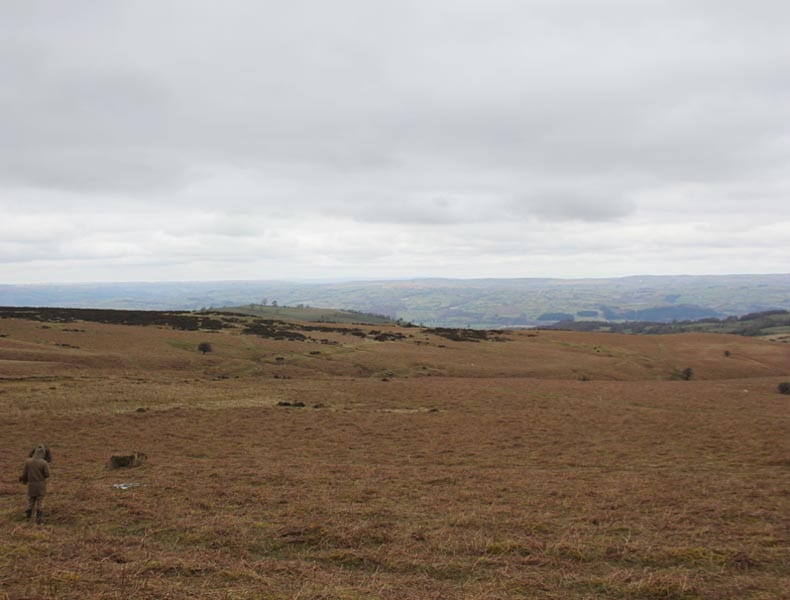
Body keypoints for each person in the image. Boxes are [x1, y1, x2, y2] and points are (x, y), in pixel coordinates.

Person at [20, 444, 51, 524]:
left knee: (30, 502)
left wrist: (24, 480)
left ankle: (28, 518)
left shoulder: (28, 461)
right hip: (40, 486)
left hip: (31, 486)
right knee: (40, 503)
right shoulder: (44, 463)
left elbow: (24, 474)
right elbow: (47, 474)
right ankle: (39, 520)